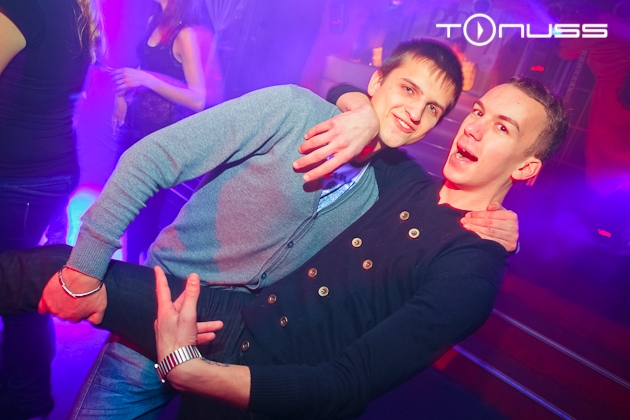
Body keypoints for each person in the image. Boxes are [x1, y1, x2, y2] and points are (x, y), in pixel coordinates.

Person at [0, 76, 568, 418]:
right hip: (228, 313)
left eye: (503, 128)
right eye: (478, 112)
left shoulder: (471, 272)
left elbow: (345, 385)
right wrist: (364, 112)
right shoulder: (403, 180)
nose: (474, 128)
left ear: (526, 167)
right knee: (53, 270)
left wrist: (191, 372)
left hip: (264, 388)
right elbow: (336, 100)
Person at [0, 0, 102, 417]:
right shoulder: (72, 8)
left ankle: (26, 401)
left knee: (16, 296)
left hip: (20, 178)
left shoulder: (27, 5)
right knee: (18, 288)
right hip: (45, 173)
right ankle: (26, 396)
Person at [111, 0, 214, 264]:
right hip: (135, 129)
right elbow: (145, 67)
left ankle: (138, 276)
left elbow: (198, 98)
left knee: (144, 216)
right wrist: (122, 94)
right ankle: (126, 268)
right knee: (123, 207)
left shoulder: (185, 34)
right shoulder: (155, 21)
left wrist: (147, 80)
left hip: (160, 139)